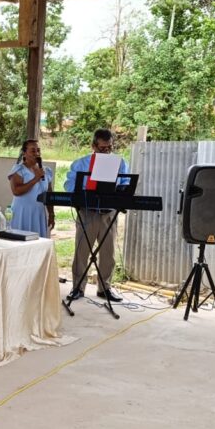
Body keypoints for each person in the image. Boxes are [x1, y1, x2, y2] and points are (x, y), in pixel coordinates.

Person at [64, 129, 128, 302]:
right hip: (88, 212)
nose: (106, 151)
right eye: (102, 148)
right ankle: (78, 287)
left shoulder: (120, 163)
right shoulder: (81, 164)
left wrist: (121, 191)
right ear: (93, 146)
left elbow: (126, 182)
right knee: (82, 252)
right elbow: (69, 185)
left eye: (109, 148)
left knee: (108, 253)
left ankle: (104, 288)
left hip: (109, 213)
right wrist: (83, 192)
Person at [8, 139, 55, 238]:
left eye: (38, 150)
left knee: (37, 241)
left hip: (38, 213)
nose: (37, 153)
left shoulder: (46, 171)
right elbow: (16, 191)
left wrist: (51, 214)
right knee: (20, 241)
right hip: (22, 213)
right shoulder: (19, 170)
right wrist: (35, 179)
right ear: (24, 153)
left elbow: (49, 195)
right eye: (33, 151)